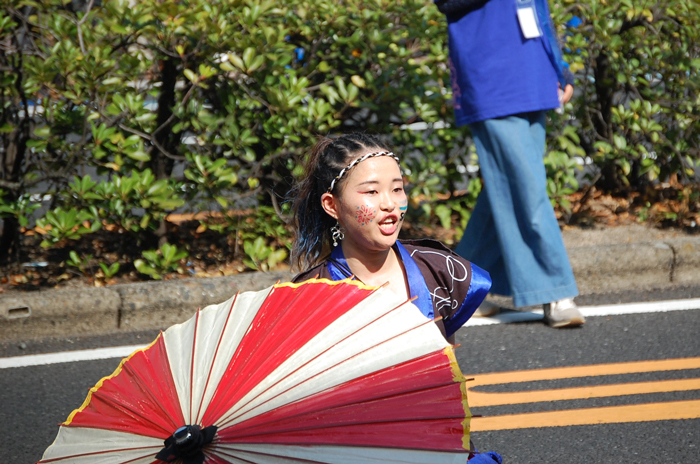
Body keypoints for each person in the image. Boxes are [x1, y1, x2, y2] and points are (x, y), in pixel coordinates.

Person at [439, 0, 585, 327]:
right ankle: (555, 291)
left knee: (508, 187)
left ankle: (458, 288)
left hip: (534, 71)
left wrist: (559, 67)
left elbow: (537, 11)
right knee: (525, 185)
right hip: (490, 76)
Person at [290, 133, 492, 342]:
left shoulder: (439, 270)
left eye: (397, 189)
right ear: (332, 205)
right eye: (372, 191)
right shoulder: (311, 294)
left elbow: (448, 365)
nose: (389, 204)